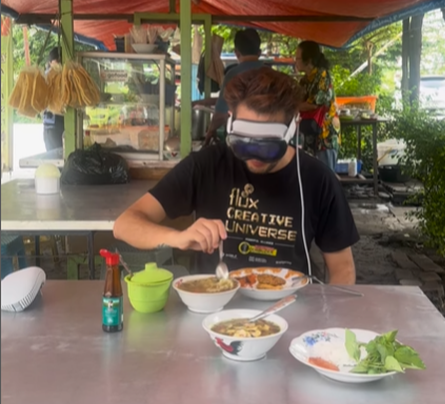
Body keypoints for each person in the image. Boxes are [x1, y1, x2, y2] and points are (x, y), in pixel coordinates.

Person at [114, 67, 359, 285]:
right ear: (230, 125)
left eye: (267, 147)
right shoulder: (208, 165)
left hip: (290, 308)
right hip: (214, 308)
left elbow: (343, 270)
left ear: (291, 131)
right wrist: (178, 237)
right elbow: (125, 225)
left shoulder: (318, 181)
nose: (255, 155)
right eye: (243, 144)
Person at [203, 28, 265, 145]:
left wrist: (211, 131)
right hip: (268, 142)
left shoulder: (233, 75)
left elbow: (221, 114)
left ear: (236, 53)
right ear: (259, 53)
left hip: (239, 142)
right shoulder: (271, 75)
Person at [295, 41, 340, 172]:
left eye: (297, 58)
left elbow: (313, 104)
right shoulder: (305, 80)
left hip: (324, 138)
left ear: (308, 60)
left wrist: (295, 106)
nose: (295, 61)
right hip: (310, 137)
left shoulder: (323, 76)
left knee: (325, 178)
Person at [43, 47, 64, 151]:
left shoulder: (66, 75)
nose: (60, 63)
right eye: (57, 60)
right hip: (51, 122)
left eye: (61, 60)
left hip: (64, 119)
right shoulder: (46, 76)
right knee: (54, 154)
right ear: (50, 62)